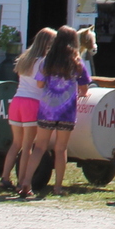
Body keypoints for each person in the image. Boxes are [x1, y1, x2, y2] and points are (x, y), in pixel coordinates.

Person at [21, 28, 89, 198]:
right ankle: (58, 187)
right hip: (67, 111)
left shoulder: (46, 61)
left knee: (40, 147)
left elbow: (39, 85)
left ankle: (26, 182)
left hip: (47, 109)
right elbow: (84, 89)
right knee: (60, 149)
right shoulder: (77, 63)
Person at [3, 28, 56, 194]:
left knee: (16, 144)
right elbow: (41, 84)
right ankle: (22, 182)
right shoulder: (44, 62)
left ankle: (5, 178)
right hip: (32, 102)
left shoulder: (25, 58)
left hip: (17, 100)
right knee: (28, 147)